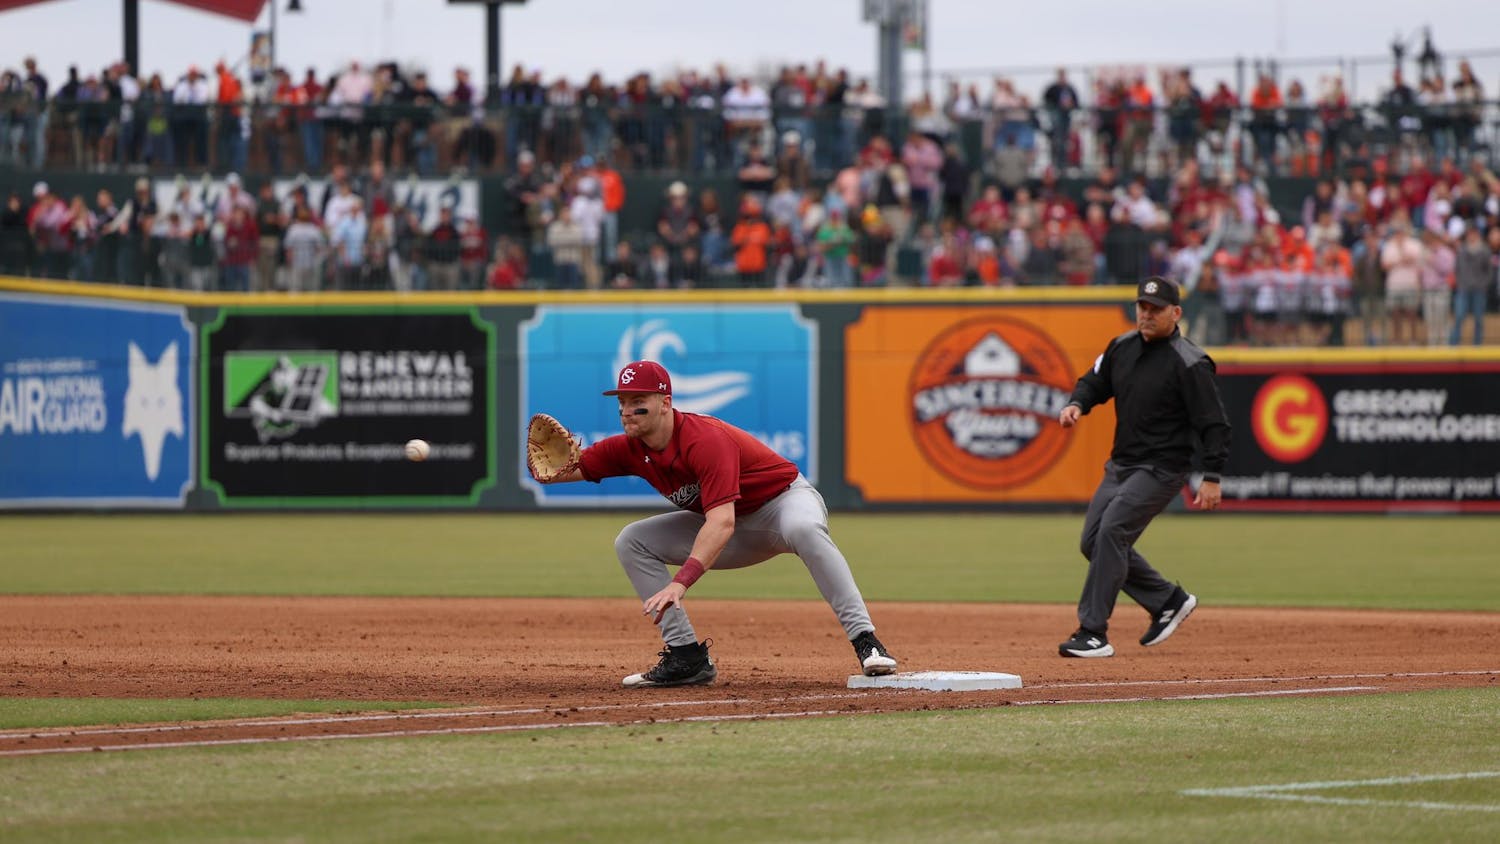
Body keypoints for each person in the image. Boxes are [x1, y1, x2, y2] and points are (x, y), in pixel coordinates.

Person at [532, 360, 898, 687]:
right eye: (622, 403)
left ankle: (866, 641)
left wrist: (681, 582)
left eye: (637, 400)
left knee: (804, 530)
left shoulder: (704, 440)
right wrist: (548, 470)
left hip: (782, 505)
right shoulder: (628, 447)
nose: (627, 410)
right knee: (632, 540)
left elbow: (720, 522)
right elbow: (563, 471)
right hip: (733, 528)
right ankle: (686, 657)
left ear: (665, 403)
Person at [1055, 277, 1231, 658]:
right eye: (1143, 307)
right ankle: (1168, 599)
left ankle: (1092, 631)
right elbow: (1094, 381)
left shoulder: (1190, 362)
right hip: (1122, 464)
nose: (1147, 315)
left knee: (1113, 531)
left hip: (1163, 468)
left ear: (1176, 313)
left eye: (1156, 309)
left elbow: (1214, 424)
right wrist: (1077, 404)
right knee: (1093, 542)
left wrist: (1212, 476)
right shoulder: (1121, 346)